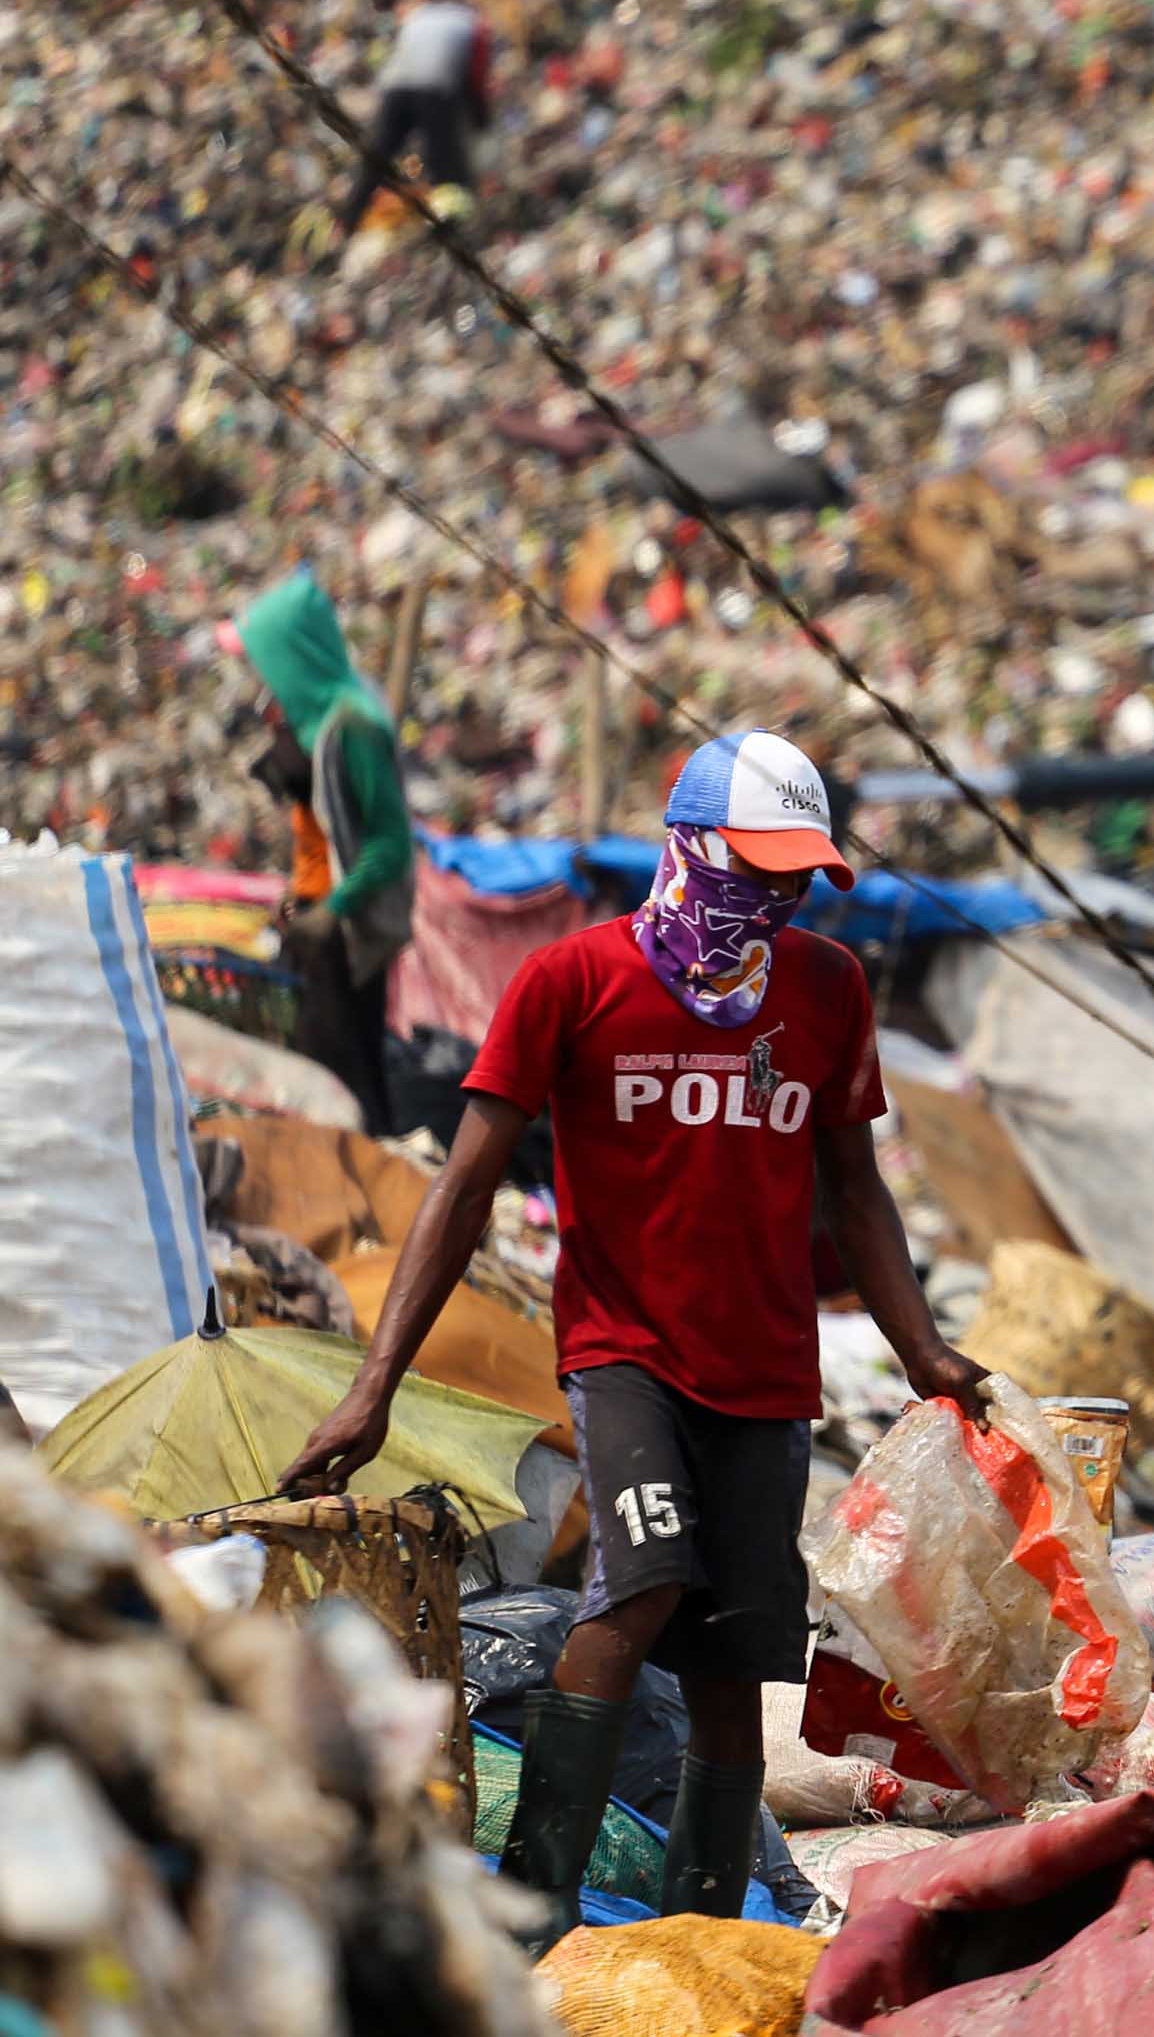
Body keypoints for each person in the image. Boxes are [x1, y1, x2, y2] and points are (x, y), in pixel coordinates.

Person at [276, 729, 988, 1953]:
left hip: (766, 1371)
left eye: (797, 873)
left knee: (735, 1654)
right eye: (755, 865)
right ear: (693, 847)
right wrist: (372, 1386)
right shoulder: (573, 980)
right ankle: (542, 1907)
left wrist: (923, 1349)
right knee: (642, 1585)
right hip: (626, 1350)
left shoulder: (825, 990)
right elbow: (462, 1189)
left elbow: (856, 1191)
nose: (776, 895)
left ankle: (700, 1932)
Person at [229, 567, 413, 1134]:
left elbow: (390, 844)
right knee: (329, 1072)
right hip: (324, 925)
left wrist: (332, 910)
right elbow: (325, 835)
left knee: (342, 1081)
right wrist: (301, 896)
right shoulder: (320, 727)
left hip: (346, 933)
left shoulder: (352, 728)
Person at [334, 0, 494, 232]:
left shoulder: (418, 15)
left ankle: (348, 220)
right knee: (443, 155)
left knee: (379, 155)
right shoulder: (473, 24)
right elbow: (474, 78)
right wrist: (481, 118)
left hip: (395, 87)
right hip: (435, 86)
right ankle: (447, 219)